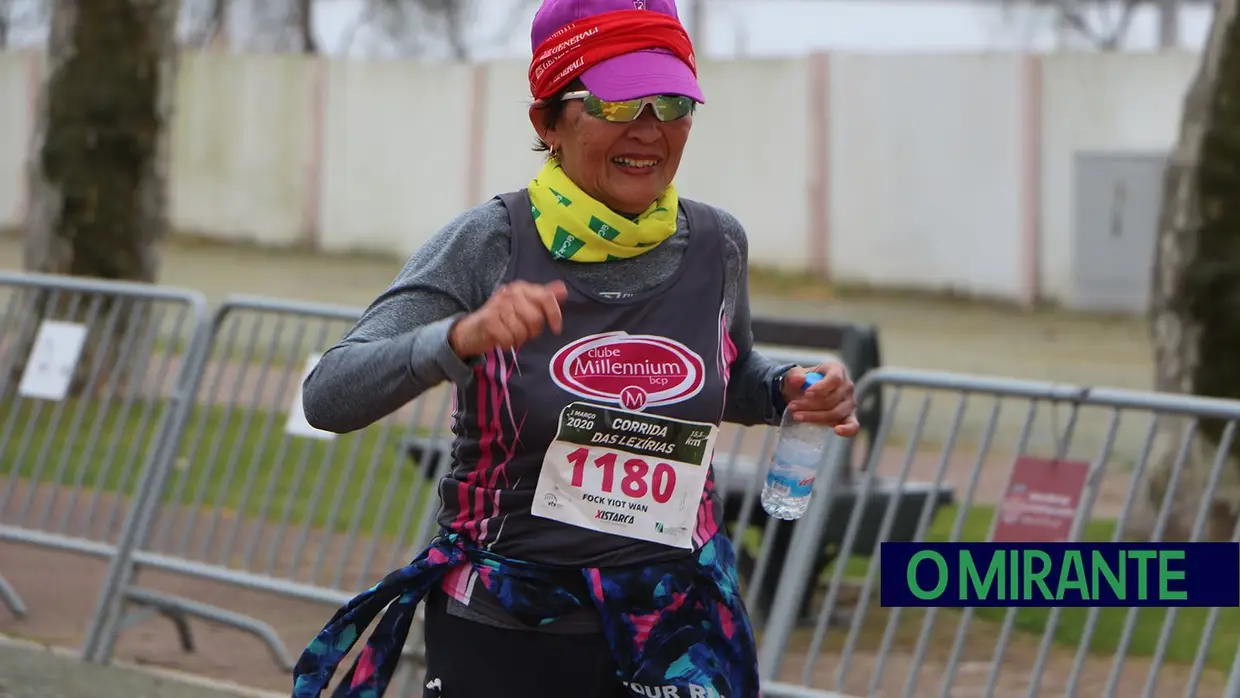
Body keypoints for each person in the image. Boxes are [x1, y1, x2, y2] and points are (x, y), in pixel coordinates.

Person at [290, 0, 859, 696]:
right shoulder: (491, 242)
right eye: (619, 104)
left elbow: (732, 377)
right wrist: (458, 339)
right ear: (548, 122)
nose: (651, 131)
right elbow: (329, 396)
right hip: (511, 629)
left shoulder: (717, 244)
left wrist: (789, 390)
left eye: (674, 102)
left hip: (673, 629)